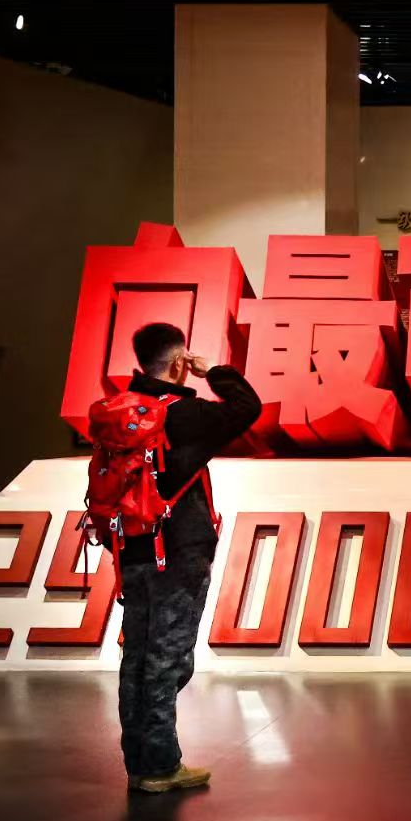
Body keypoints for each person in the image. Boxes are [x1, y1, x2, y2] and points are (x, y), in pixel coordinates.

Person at [117, 322, 261, 795]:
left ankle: (140, 763)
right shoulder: (184, 413)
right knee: (168, 658)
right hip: (177, 551)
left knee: (137, 657)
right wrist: (212, 371)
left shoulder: (123, 410)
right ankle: (160, 766)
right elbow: (247, 407)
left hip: (133, 546)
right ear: (179, 363)